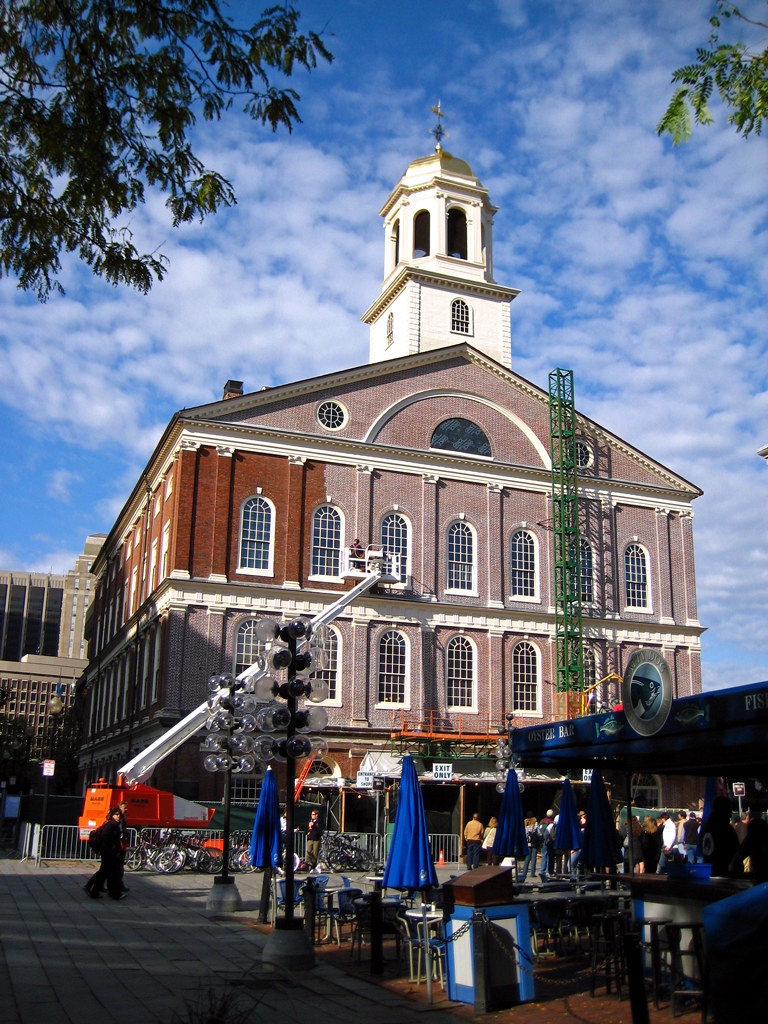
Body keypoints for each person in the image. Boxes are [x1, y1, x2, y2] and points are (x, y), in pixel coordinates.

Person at [84, 807, 126, 900]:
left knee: (105, 873)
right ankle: (114, 893)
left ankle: (96, 891)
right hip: (109, 852)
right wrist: (112, 847)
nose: (118, 816)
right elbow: (105, 836)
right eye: (116, 814)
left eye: (119, 814)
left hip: (109, 852)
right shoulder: (111, 824)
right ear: (112, 815)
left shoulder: (114, 824)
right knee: (110, 873)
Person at [700, 795, 739, 876]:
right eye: (729, 807)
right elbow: (734, 850)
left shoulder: (706, 826)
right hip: (722, 871)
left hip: (708, 870)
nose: (731, 811)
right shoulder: (724, 828)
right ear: (724, 808)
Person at [519, 814, 541, 882]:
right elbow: (539, 833)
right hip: (534, 843)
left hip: (528, 843)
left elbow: (524, 835)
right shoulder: (535, 824)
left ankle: (524, 872)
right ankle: (532, 873)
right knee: (533, 858)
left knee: (527, 858)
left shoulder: (526, 825)